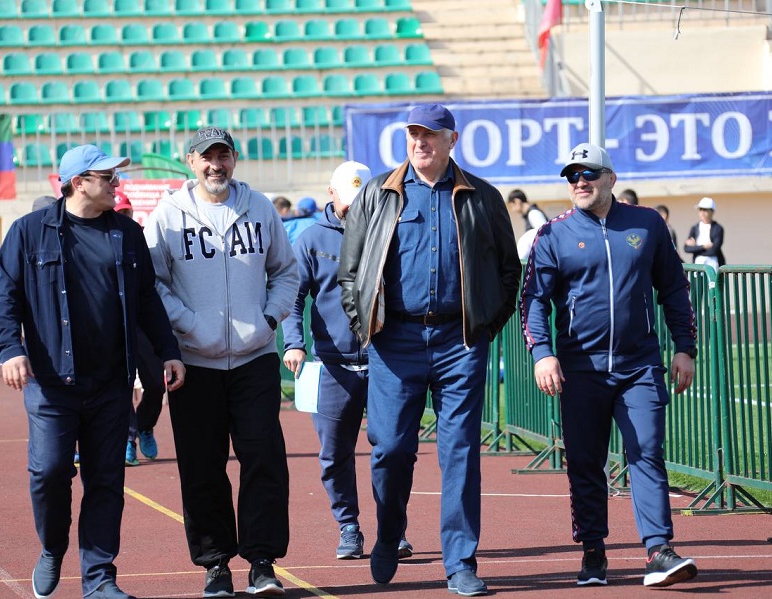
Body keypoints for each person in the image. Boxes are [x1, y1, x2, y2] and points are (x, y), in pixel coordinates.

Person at [338, 104, 521, 596]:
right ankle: (389, 533)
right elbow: (350, 272)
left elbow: (509, 272)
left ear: (451, 140)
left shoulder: (482, 196)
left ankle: (460, 562)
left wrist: (483, 327)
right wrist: (366, 325)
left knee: (460, 451)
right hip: (394, 342)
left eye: (430, 134)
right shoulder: (378, 192)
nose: (420, 142)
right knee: (390, 449)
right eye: (413, 134)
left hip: (460, 343)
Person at [0, 144, 185, 599]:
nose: (117, 184)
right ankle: (52, 547)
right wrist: (11, 349)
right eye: (108, 177)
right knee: (49, 472)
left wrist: (168, 350)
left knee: (106, 482)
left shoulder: (127, 233)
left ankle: (99, 579)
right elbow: (5, 296)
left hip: (111, 384)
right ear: (79, 182)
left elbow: (147, 300)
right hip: (51, 383)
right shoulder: (28, 232)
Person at [520, 142, 699, 588]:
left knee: (647, 452)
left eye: (589, 173)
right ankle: (593, 552)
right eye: (572, 175)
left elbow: (673, 288)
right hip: (581, 369)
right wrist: (542, 353)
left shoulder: (647, 224)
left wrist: (685, 347)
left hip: (640, 366)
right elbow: (534, 301)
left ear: (611, 178)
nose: (580, 182)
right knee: (585, 462)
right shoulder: (553, 234)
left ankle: (658, 550)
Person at [144, 127, 298, 598]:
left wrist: (269, 318)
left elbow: (285, 272)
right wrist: (188, 323)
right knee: (202, 466)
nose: (216, 165)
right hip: (194, 362)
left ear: (234, 159)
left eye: (224, 155)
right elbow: (152, 282)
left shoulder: (260, 208)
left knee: (264, 459)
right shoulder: (168, 215)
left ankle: (262, 562)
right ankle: (215, 565)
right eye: (207, 157)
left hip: (255, 357)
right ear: (191, 161)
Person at [281, 161, 413, 562]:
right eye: (347, 201)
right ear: (331, 193)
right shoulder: (311, 239)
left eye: (362, 201)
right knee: (335, 453)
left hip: (385, 361)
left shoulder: (389, 229)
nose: (354, 209)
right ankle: (348, 526)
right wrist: (294, 344)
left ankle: (392, 529)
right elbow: (293, 296)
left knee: (392, 449)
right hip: (332, 365)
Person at [113, 192, 165, 467]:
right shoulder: (98, 241)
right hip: (114, 326)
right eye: (119, 213)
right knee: (121, 385)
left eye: (127, 211)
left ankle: (145, 425)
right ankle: (128, 440)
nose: (124, 217)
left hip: (143, 324)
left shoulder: (140, 237)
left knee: (156, 384)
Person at [683, 197, 725, 270]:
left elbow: (714, 250)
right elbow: (687, 248)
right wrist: (703, 247)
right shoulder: (694, 228)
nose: (702, 212)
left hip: (713, 263)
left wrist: (696, 248)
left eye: (705, 210)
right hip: (697, 264)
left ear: (712, 212)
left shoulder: (718, 228)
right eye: (700, 209)